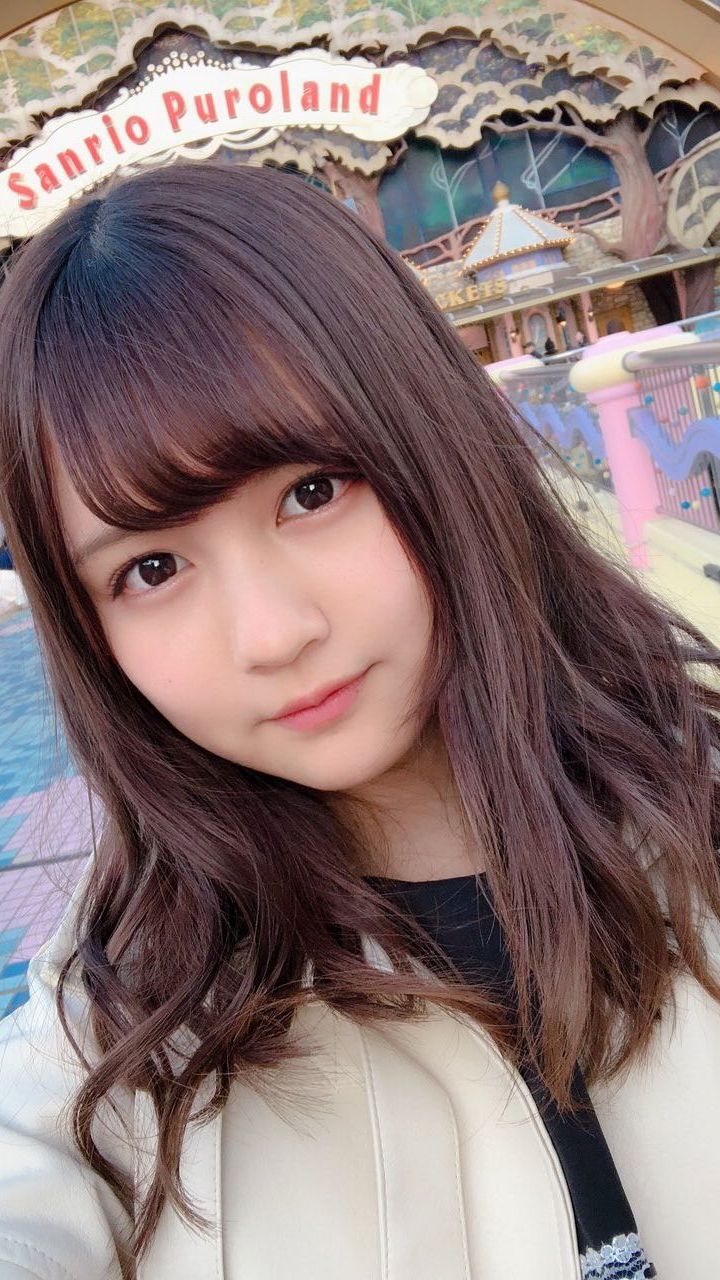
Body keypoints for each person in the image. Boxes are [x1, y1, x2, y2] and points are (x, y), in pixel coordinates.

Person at [0, 161, 718, 1280]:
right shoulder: (128, 1027)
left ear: (432, 434)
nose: (273, 634)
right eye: (151, 568)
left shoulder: (696, 821)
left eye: (312, 491)